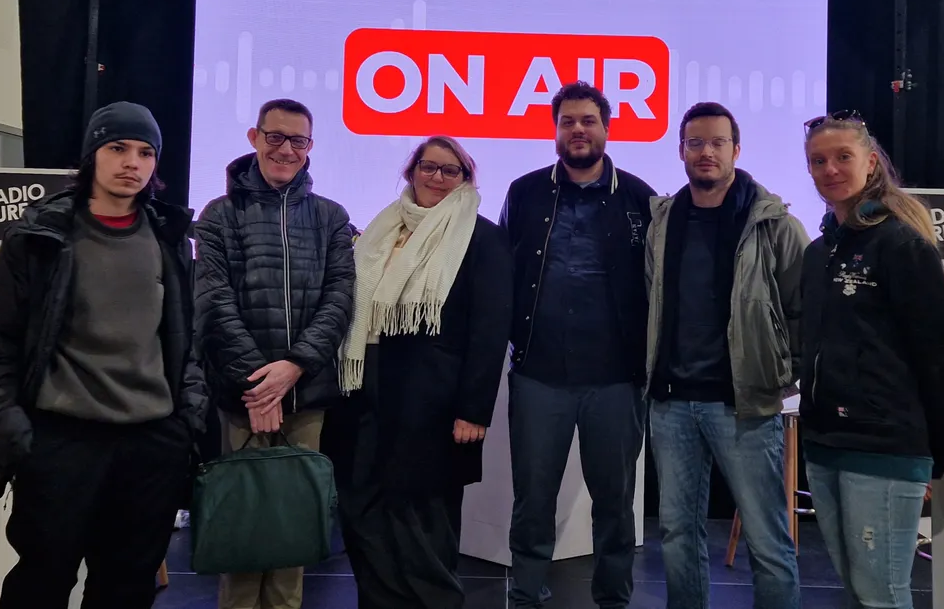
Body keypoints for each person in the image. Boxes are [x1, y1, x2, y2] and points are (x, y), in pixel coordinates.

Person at [0, 102, 207, 609]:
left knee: (126, 589)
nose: (131, 163)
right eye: (118, 148)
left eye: (145, 152)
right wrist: (8, 427)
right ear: (93, 154)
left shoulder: (170, 238)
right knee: (40, 586)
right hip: (61, 442)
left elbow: (187, 340)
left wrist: (186, 420)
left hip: (150, 446)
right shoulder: (40, 236)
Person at [328, 136, 513, 609]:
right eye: (428, 167)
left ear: (465, 181)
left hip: (433, 403)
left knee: (422, 520)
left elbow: (490, 332)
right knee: (363, 509)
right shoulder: (381, 229)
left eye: (450, 171)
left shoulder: (483, 237)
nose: (436, 177)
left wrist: (474, 410)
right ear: (411, 171)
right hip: (364, 389)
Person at [800, 111, 944, 609]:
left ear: (870, 162)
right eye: (818, 160)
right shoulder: (819, 254)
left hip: (886, 448)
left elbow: (943, 359)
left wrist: (937, 455)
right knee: (856, 592)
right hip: (825, 445)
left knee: (881, 594)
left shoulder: (901, 244)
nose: (830, 168)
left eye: (843, 157)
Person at [645, 101, 807, 609]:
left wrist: (783, 377)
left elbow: (804, 309)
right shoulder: (663, 220)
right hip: (671, 403)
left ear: (737, 150)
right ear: (681, 151)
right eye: (696, 143)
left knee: (767, 540)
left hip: (746, 406)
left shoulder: (772, 221)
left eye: (717, 142)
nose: (706, 152)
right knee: (676, 534)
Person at [194, 98, 355, 609]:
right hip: (242, 396)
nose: (286, 149)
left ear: (310, 147)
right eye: (276, 137)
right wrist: (258, 384)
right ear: (254, 138)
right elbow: (213, 300)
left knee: (292, 530)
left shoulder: (331, 216)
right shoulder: (219, 215)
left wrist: (294, 367)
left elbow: (340, 297)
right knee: (243, 528)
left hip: (306, 393)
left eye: (298, 141)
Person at [500, 81, 655, 609]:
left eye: (588, 120)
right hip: (539, 372)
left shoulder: (639, 196)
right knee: (533, 499)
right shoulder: (524, 192)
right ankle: (524, 592)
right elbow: (504, 273)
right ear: (556, 129)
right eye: (568, 121)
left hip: (615, 377)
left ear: (607, 129)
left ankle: (613, 596)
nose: (578, 130)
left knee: (615, 502)